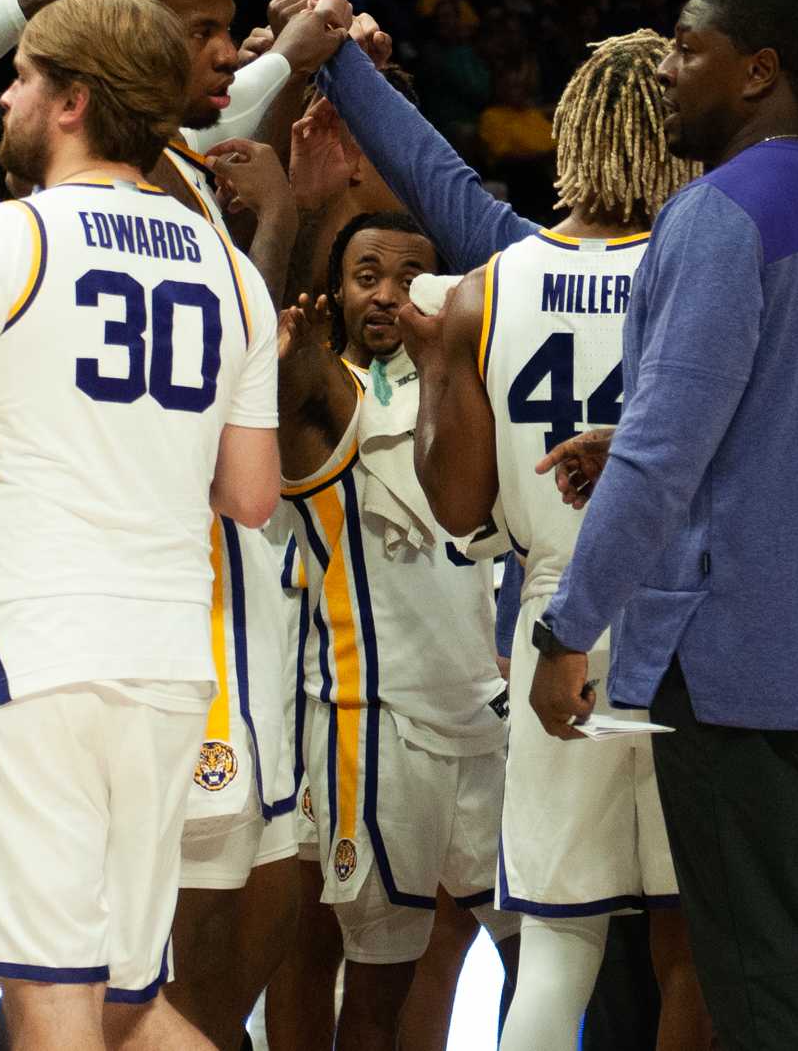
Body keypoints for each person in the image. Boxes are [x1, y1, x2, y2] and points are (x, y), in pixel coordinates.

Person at [0, 0, 281, 1051]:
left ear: (71, 100)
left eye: (22, 78)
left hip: (27, 651)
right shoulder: (226, 267)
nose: (5, 96)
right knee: (124, 1005)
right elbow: (250, 495)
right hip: (166, 660)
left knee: (52, 1002)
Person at [524, 0, 798, 1051]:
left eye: (686, 50)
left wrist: (567, 629)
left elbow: (659, 457)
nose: (661, 69)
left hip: (745, 651)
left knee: (764, 973)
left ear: (758, 70)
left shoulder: (715, 212)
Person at [397, 29, 710, 1051]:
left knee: (558, 947)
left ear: (573, 133)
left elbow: (455, 508)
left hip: (552, 622)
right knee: (687, 945)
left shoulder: (485, 288)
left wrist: (442, 362)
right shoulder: (702, 267)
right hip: (687, 620)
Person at [72, 0, 341, 1045]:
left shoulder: (182, 168)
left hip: (230, 584)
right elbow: (223, 391)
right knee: (159, 926)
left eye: (236, 31)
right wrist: (278, 220)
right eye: (204, 34)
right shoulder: (122, 195)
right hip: (166, 590)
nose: (230, 54)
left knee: (271, 867)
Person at [273, 213, 515, 1051]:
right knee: (367, 976)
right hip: (372, 719)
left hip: (484, 715)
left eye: (409, 276)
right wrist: (289, 207)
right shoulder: (313, 382)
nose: (386, 292)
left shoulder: (467, 389)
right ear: (336, 292)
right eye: (366, 273)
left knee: (543, 947)